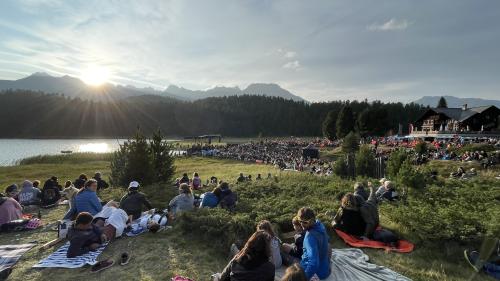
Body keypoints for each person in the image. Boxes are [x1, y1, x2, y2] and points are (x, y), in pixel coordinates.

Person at [297, 207, 331, 280]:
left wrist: (304, 278)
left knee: (290, 262)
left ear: (312, 220)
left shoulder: (310, 237)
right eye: (300, 221)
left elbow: (313, 264)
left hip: (316, 274)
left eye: (305, 222)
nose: (302, 224)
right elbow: (328, 241)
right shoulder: (320, 225)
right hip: (325, 270)